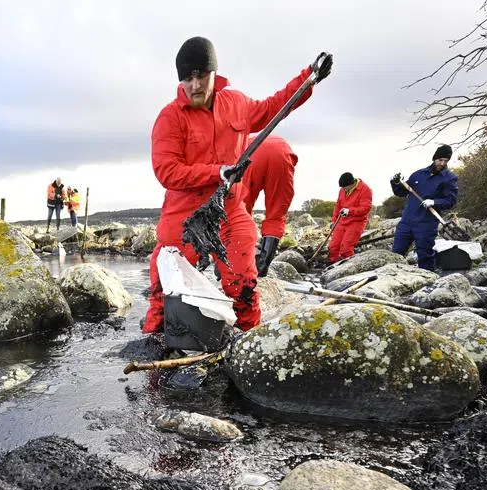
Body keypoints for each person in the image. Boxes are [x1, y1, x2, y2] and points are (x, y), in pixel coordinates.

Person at [143, 37, 331, 334]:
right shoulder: (169, 118)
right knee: (164, 292)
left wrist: (308, 79)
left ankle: (246, 344)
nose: (195, 85)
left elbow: (274, 107)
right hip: (184, 217)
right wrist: (217, 172)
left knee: (243, 285)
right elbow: (167, 171)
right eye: (187, 78)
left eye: (201, 75)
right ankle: (154, 353)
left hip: (229, 212)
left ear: (214, 73)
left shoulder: (237, 104)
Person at [237, 136, 298, 277]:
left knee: (239, 211)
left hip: (251, 155)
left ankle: (234, 263)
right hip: (283, 154)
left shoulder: (242, 142)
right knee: (276, 213)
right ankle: (262, 266)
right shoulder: (269, 140)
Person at [390, 145, 458, 270]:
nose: (442, 163)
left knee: (425, 256)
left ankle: (427, 284)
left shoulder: (450, 178)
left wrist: (434, 202)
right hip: (407, 221)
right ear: (434, 158)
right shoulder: (418, 174)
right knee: (396, 254)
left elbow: (451, 201)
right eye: (440, 160)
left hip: (426, 224)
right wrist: (395, 183)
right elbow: (402, 192)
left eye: (446, 161)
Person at [329, 172, 373, 263]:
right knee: (333, 248)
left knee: (346, 249)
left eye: (345, 187)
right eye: (342, 188)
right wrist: (334, 220)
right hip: (341, 221)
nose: (343, 189)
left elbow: (366, 208)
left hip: (356, 222)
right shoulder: (342, 190)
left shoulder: (365, 189)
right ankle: (332, 267)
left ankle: (348, 269)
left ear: (351, 184)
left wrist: (350, 211)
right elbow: (338, 205)